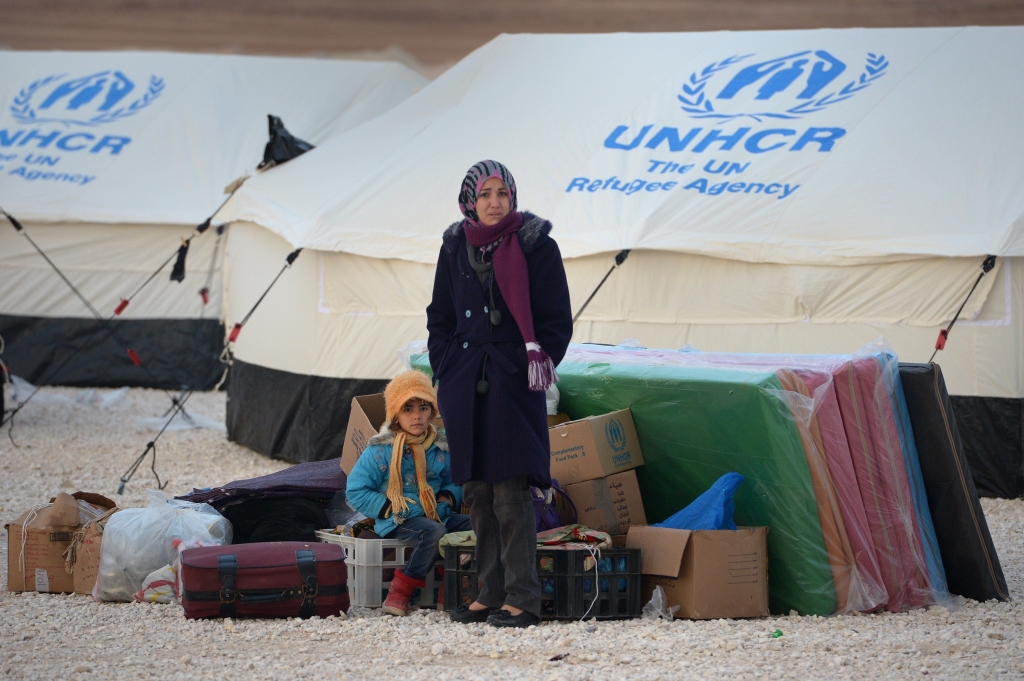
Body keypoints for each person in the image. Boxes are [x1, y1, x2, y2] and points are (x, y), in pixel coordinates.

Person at [426, 160, 573, 628]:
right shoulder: (454, 246)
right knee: (476, 490)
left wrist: (529, 361)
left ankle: (522, 598)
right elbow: (440, 315)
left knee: (510, 489)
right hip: (465, 380)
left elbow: (555, 321)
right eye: (485, 194)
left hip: (512, 380)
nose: (494, 202)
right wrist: (446, 367)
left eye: (502, 194)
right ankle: (489, 592)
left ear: (512, 197)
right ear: (470, 200)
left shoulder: (536, 246)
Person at [345, 370, 471, 616]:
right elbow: (356, 490)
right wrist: (389, 507)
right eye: (408, 409)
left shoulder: (440, 447)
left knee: (478, 525)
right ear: (395, 415)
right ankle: (400, 591)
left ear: (432, 412)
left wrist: (447, 496)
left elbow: (456, 479)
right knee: (433, 532)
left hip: (437, 512)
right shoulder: (380, 451)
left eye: (423, 408)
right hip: (398, 516)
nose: (417, 416)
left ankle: (451, 588)